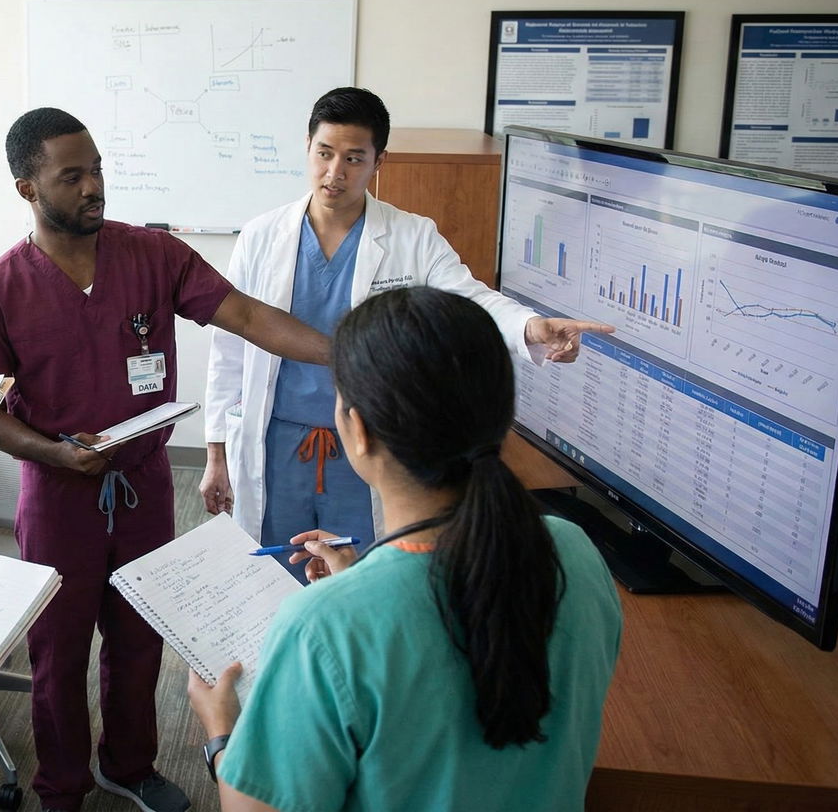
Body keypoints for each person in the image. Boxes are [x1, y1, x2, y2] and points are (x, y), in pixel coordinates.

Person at [0, 107, 332, 812]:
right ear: (27, 190)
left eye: (97, 169)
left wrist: (345, 355)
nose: (94, 187)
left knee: (139, 637)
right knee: (58, 651)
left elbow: (247, 316)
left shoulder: (152, 256)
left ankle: (128, 765)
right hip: (58, 496)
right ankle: (61, 786)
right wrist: (52, 452)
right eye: (72, 176)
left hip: (144, 485)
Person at [186, 286, 623, 812]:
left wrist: (221, 731)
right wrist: (363, 587)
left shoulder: (323, 627)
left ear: (358, 431)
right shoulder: (574, 553)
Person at [202, 87, 613, 580]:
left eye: (354, 158)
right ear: (307, 146)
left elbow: (469, 298)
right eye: (324, 154)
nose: (335, 173)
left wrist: (530, 326)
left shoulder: (412, 236)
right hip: (274, 443)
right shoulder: (261, 236)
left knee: (365, 576)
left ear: (379, 161)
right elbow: (229, 348)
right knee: (273, 572)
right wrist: (216, 452)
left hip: (367, 445)